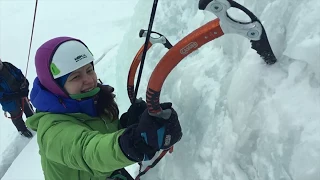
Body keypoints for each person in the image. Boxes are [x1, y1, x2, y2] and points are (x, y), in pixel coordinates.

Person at [26, 36, 183, 180]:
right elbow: (89, 151)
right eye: (75, 77)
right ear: (55, 87)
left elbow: (102, 136)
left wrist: (128, 125)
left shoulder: (91, 100)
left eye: (89, 70)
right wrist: (132, 142)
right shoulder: (52, 131)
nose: (88, 80)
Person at [0, 58, 34, 138]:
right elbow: (2, 96)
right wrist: (18, 95)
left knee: (27, 107)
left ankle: (33, 120)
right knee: (16, 115)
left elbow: (19, 73)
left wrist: (24, 84)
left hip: (20, 92)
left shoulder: (7, 65)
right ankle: (22, 130)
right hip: (9, 102)